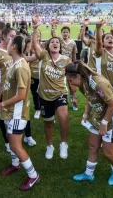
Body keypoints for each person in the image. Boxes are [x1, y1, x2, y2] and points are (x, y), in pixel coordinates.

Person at [0, 36, 40, 191]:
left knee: (15, 145)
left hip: (17, 114)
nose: (6, 45)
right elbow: (7, 85)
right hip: (9, 112)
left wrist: (2, 104)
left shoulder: (21, 67)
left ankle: (33, 175)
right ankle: (15, 164)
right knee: (10, 139)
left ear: (14, 47)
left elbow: (21, 95)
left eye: (9, 44)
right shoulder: (15, 63)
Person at [66, 61, 113, 186]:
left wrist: (104, 123)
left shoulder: (98, 84)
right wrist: (86, 113)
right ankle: (89, 174)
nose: (70, 84)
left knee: (108, 153)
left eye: (70, 80)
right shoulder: (83, 82)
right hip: (97, 117)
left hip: (112, 121)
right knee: (93, 147)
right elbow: (89, 97)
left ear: (78, 76)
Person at [31, 15, 71, 160]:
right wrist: (35, 29)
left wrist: (73, 94)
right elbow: (35, 45)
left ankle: (63, 143)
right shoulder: (43, 56)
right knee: (48, 123)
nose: (55, 43)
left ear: (60, 46)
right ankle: (50, 146)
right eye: (52, 42)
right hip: (44, 95)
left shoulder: (66, 60)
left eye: (57, 42)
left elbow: (71, 79)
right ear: (48, 46)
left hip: (60, 93)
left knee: (63, 118)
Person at [25, 30, 42, 120]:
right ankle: (37, 109)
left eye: (38, 35)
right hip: (32, 74)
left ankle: (46, 109)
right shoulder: (29, 47)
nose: (37, 37)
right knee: (35, 93)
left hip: (43, 74)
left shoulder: (44, 46)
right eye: (35, 35)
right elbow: (26, 58)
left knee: (44, 92)